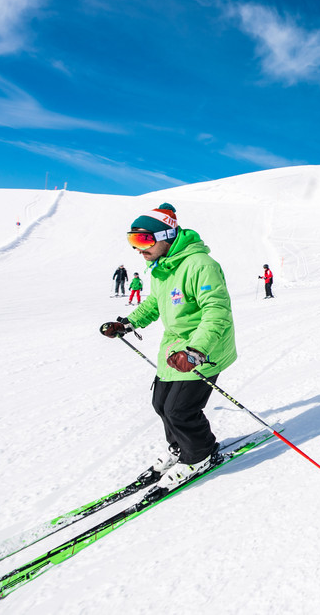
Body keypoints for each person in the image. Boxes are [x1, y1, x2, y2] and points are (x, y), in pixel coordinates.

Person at [100, 203, 237, 491]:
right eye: (133, 241)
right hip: (174, 350)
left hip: (203, 350)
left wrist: (196, 351)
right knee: (161, 404)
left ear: (167, 235)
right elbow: (154, 303)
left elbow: (217, 311)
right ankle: (179, 447)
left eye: (144, 240)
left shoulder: (201, 265)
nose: (138, 249)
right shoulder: (161, 269)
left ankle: (201, 454)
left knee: (180, 410)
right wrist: (128, 324)